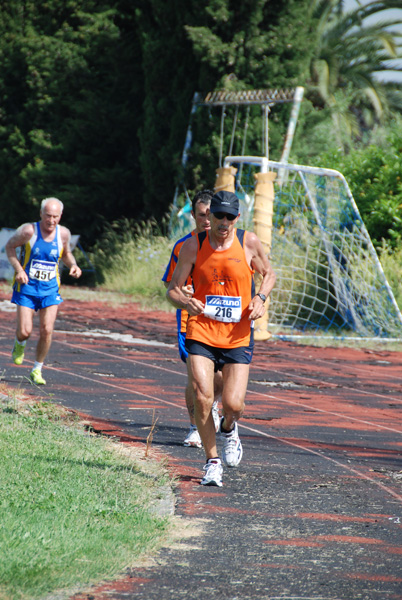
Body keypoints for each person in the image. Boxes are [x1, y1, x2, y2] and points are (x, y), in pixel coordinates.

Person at [167, 190, 276, 487]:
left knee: (234, 403)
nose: (224, 222)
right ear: (209, 216)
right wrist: (185, 301)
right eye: (218, 216)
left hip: (237, 335)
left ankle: (229, 428)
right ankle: (212, 461)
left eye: (230, 217)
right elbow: (173, 290)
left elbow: (269, 274)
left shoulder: (248, 242)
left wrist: (260, 298)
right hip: (201, 330)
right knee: (203, 395)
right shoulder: (193, 246)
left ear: (237, 218)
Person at [163, 190, 223, 448]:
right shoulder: (182, 246)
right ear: (193, 216)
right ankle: (194, 426)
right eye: (202, 215)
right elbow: (170, 284)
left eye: (211, 214)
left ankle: (214, 405)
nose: (207, 220)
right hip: (191, 318)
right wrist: (183, 293)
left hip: (222, 319)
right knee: (196, 378)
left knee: (219, 377)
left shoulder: (228, 243)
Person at [6, 197, 82, 385]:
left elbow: (66, 253)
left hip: (50, 289)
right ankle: (19, 344)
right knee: (25, 331)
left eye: (55, 217)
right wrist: (19, 270)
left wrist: (73, 265)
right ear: (41, 214)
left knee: (47, 329)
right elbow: (9, 247)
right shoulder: (28, 231)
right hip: (27, 289)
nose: (51, 221)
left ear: (60, 216)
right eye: (48, 216)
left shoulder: (63, 234)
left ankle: (37, 369)